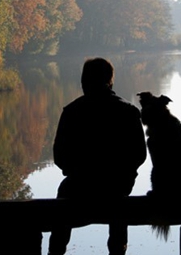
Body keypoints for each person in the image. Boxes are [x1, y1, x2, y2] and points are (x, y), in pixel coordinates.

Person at [48, 57, 147, 255]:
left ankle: (56, 252)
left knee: (63, 198)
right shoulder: (129, 111)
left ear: (84, 81)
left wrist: (77, 171)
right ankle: (118, 250)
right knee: (119, 206)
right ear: (110, 80)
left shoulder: (72, 111)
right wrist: (123, 173)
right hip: (117, 185)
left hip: (79, 184)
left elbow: (59, 155)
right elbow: (139, 155)